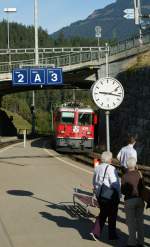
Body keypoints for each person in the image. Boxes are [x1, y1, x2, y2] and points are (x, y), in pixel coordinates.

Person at [90, 151, 120, 241]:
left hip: (100, 195)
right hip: (109, 196)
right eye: (111, 158)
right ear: (109, 159)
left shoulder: (97, 167)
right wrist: (118, 195)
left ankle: (107, 234)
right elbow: (115, 184)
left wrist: (97, 192)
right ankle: (102, 233)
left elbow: (94, 182)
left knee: (104, 212)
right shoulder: (111, 169)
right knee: (111, 215)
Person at [121, 157, 144, 247]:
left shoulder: (125, 176)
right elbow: (142, 186)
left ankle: (132, 243)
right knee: (140, 222)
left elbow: (122, 190)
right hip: (140, 200)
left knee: (131, 223)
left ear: (127, 166)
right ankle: (141, 242)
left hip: (130, 200)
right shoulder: (139, 173)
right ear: (135, 165)